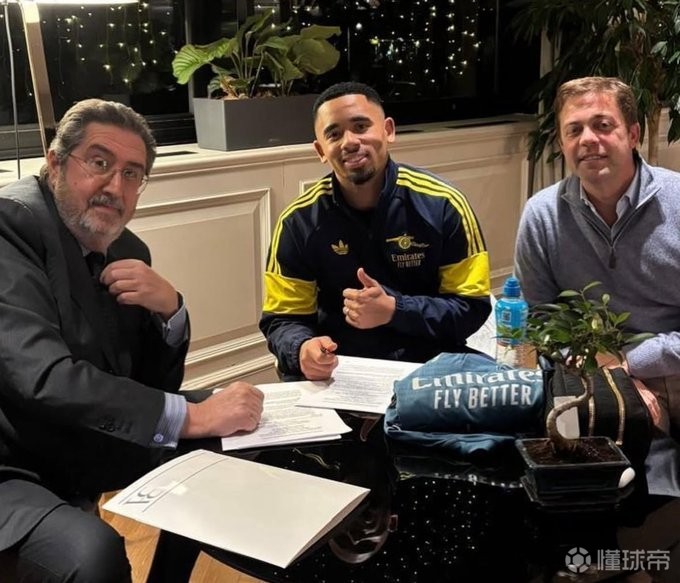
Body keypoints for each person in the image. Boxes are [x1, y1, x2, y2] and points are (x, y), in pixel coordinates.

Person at [0, 99, 264, 583]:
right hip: (13, 461)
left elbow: (148, 385)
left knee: (236, 437)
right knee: (92, 553)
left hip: (75, 439)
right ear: (55, 162)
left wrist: (170, 311)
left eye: (131, 173)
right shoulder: (9, 226)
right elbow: (42, 378)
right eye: (99, 163)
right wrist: (192, 415)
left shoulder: (128, 249)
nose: (114, 186)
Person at [514, 76, 680, 582]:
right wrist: (615, 384)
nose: (588, 139)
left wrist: (634, 366)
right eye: (574, 130)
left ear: (633, 133)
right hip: (591, 370)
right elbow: (541, 321)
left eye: (603, 125)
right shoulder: (542, 215)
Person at [259, 81, 492, 381]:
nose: (350, 142)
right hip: (340, 371)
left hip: (428, 366)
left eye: (361, 126)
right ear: (320, 150)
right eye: (334, 134)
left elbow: (471, 307)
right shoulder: (298, 221)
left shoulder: (443, 204)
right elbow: (282, 319)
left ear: (388, 130)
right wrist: (302, 348)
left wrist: (395, 310)